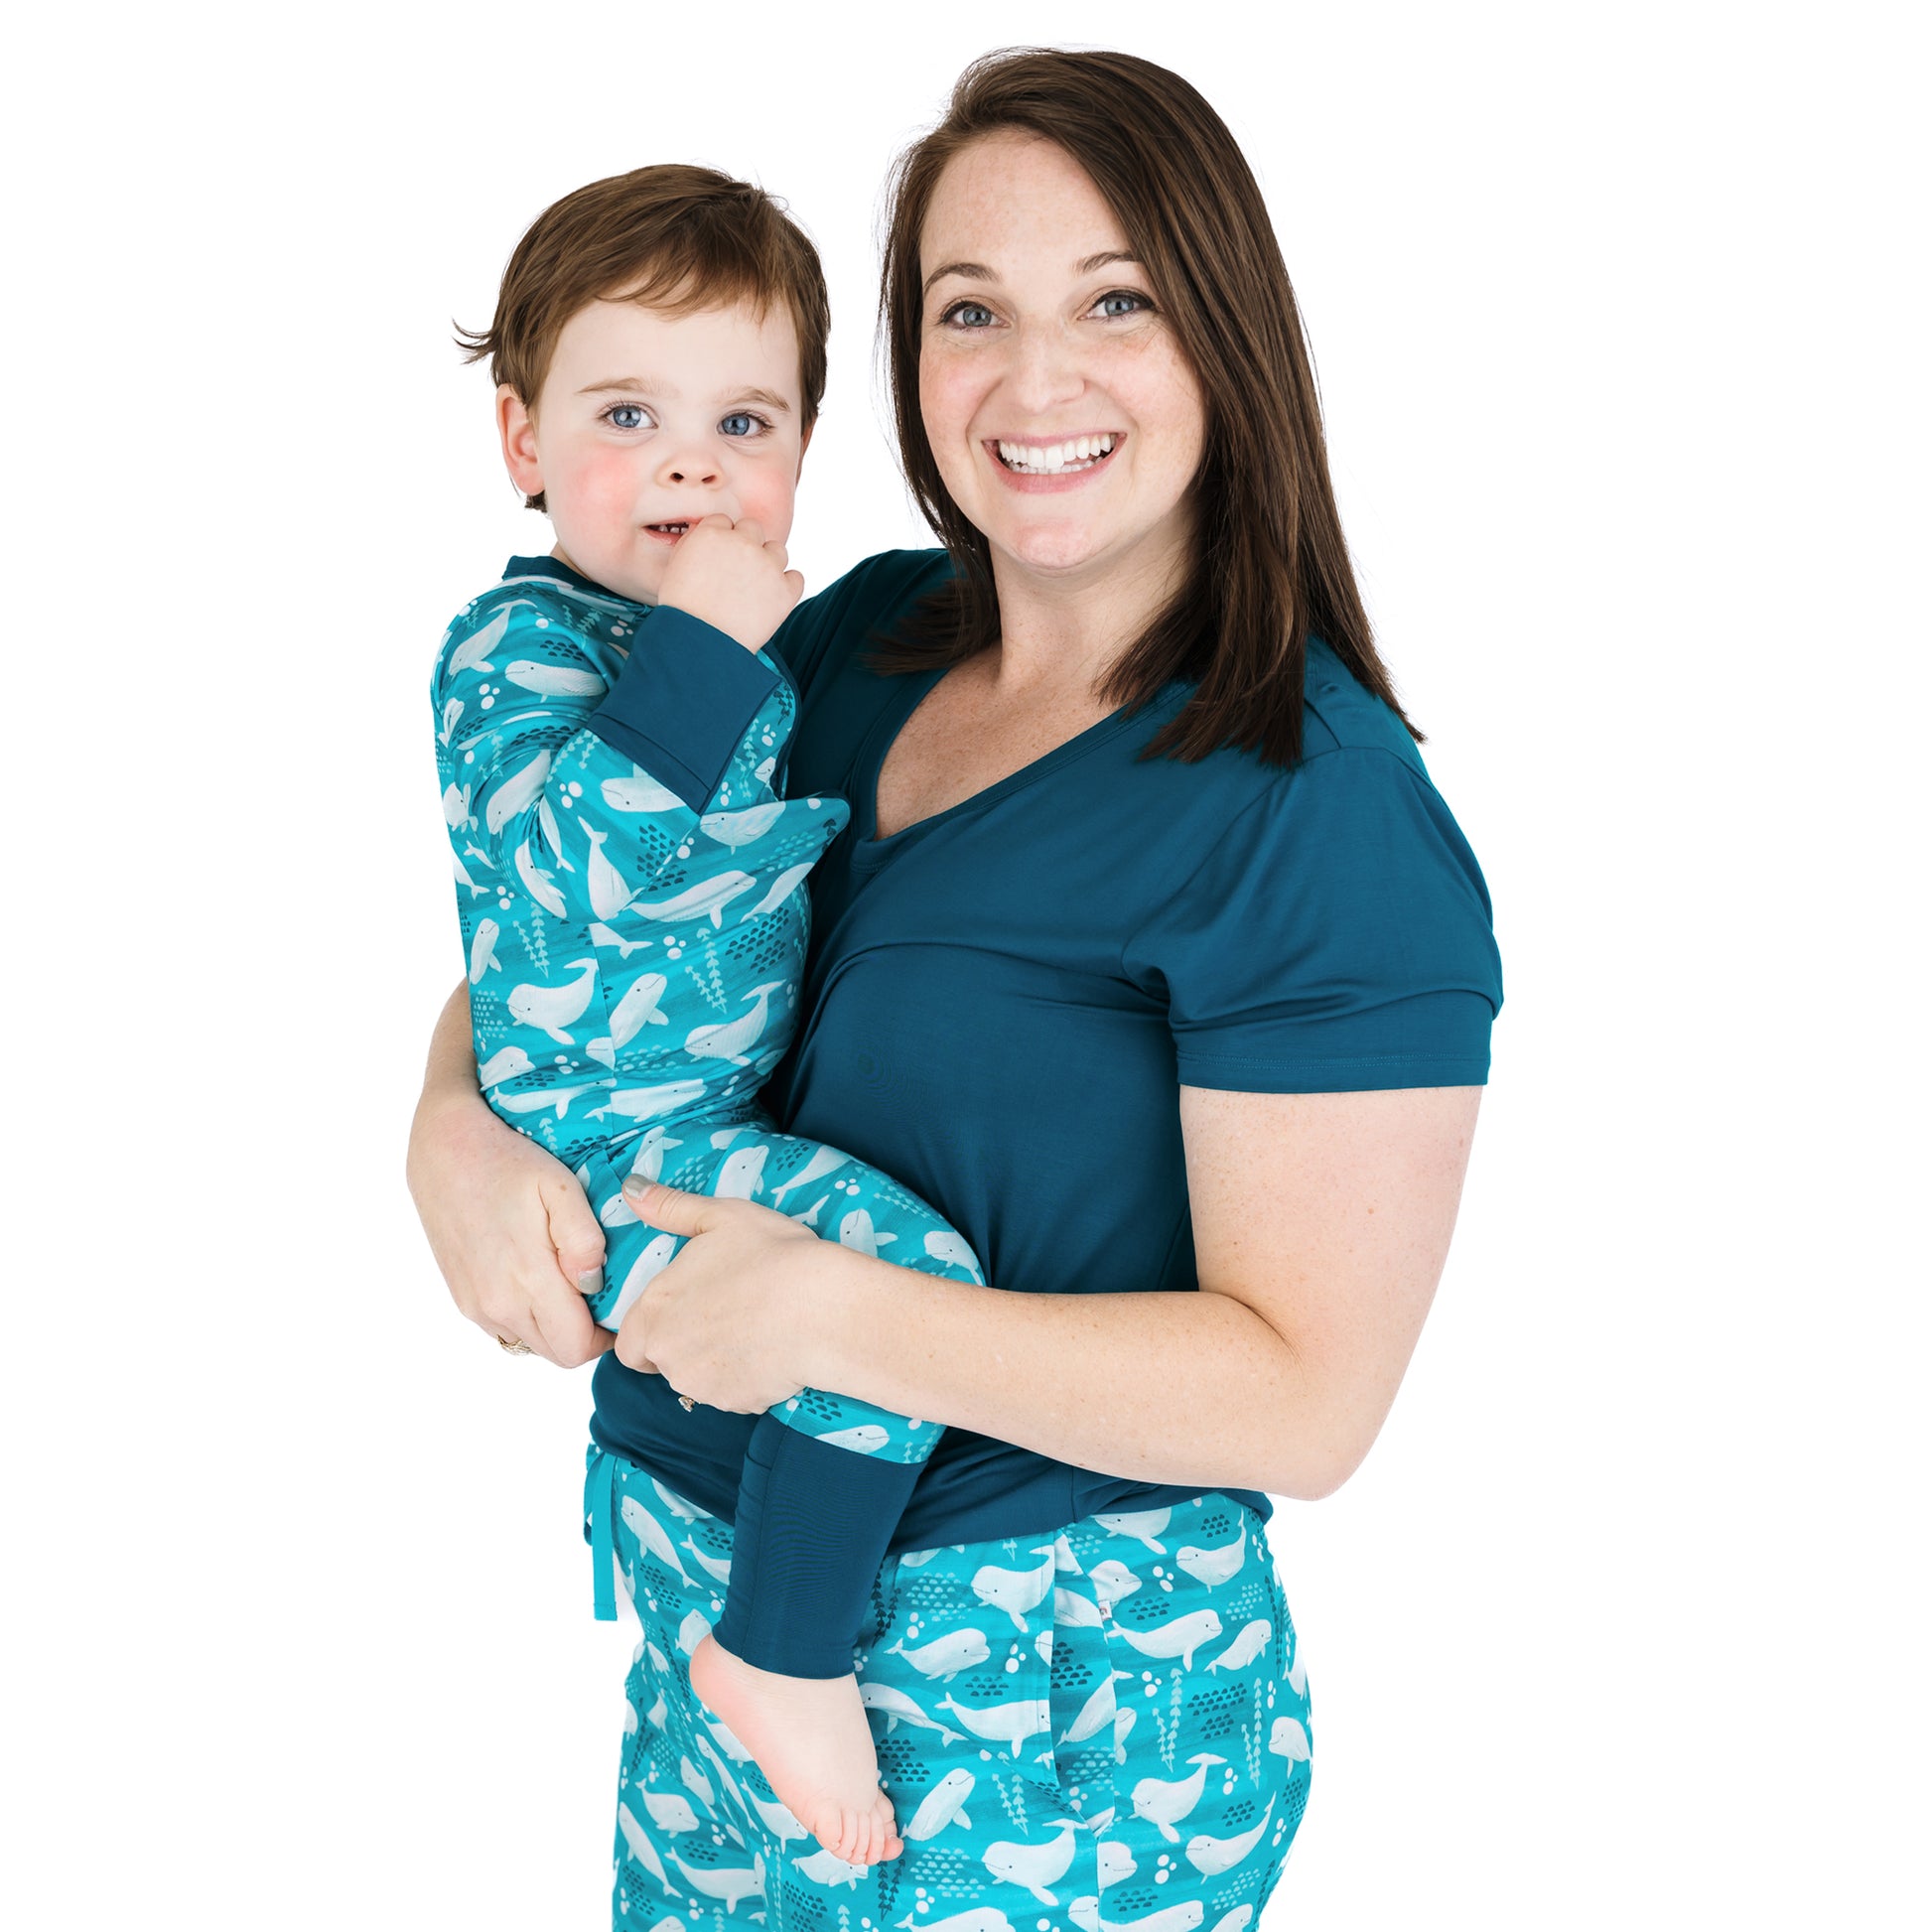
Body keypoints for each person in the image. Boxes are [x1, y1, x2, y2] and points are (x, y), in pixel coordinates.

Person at [408, 48, 1502, 1930]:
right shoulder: (845, 638)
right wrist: (445, 1123)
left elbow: (1307, 1400)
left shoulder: (1312, 808)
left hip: (1047, 1714)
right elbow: (587, 917)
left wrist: (843, 1316)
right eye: (968, 308)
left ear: (1224, 340)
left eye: (1116, 303)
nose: (1035, 377)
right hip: (706, 1631)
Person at [437, 162, 995, 1865]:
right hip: (610, 1152)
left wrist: (736, 647)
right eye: (628, 413)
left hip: (700, 1126)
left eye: (743, 419)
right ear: (523, 445)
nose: (690, 463)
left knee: (864, 1301)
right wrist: (706, 654)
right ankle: (782, 1644)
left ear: (803, 455)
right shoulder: (513, 650)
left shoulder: (783, 638)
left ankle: (767, 1630)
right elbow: (567, 889)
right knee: (900, 1286)